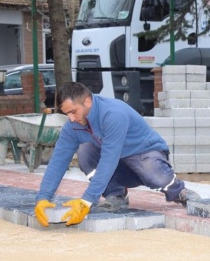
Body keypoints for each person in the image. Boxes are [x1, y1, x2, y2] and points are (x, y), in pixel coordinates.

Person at [34, 82, 201, 227]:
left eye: (73, 112)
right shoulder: (74, 125)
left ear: (87, 101)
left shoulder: (113, 114)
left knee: (151, 170)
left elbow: (108, 159)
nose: (70, 119)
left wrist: (86, 201)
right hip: (119, 165)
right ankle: (115, 194)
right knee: (85, 151)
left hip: (145, 155)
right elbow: (58, 161)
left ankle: (179, 191)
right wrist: (43, 197)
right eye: (66, 114)